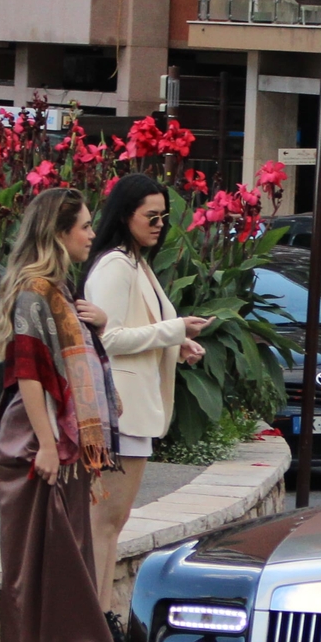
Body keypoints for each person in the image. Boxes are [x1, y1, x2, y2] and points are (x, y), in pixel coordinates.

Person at [0, 187, 119, 642]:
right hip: (37, 436)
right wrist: (45, 444)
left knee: (59, 551)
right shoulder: (35, 293)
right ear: (59, 234)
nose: (91, 234)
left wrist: (100, 326)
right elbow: (29, 373)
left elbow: (70, 363)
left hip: (57, 438)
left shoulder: (58, 292)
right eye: (84, 226)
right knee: (31, 554)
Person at [86, 173, 211, 610]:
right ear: (126, 216)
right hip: (121, 409)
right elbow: (108, 338)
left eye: (164, 217)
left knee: (111, 524)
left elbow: (140, 328)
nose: (159, 225)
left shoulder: (135, 262)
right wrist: (175, 330)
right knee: (104, 523)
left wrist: (178, 343)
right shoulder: (115, 266)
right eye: (151, 217)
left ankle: (101, 616)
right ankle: (98, 617)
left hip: (134, 410)